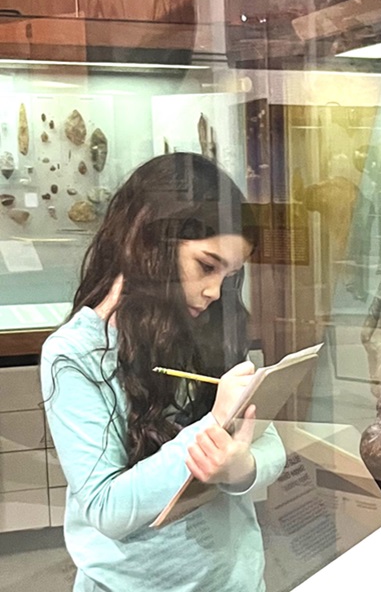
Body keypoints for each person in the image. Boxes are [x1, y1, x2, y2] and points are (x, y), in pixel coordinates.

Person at [40, 152, 286, 591]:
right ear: (149, 242)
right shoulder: (74, 353)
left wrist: (240, 467)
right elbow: (107, 507)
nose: (214, 291)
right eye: (206, 266)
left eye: (229, 275)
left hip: (233, 579)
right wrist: (212, 427)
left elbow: (269, 444)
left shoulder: (212, 327)